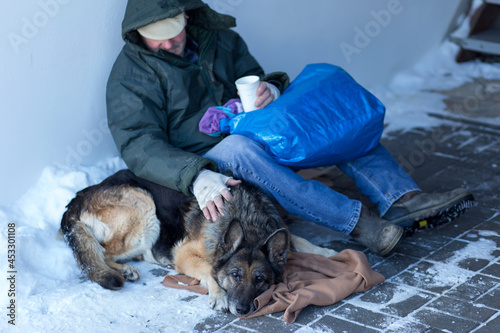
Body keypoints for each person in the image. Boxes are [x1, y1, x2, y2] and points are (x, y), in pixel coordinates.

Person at [106, 0, 474, 257]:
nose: (168, 42)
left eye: (173, 30)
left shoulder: (222, 40)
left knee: (326, 121)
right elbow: (139, 143)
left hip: (251, 125)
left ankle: (400, 200)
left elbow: (254, 76)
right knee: (237, 149)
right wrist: (196, 174)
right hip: (203, 157)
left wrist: (272, 89)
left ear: (187, 16)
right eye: (156, 35)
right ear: (137, 32)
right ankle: (360, 224)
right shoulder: (130, 76)